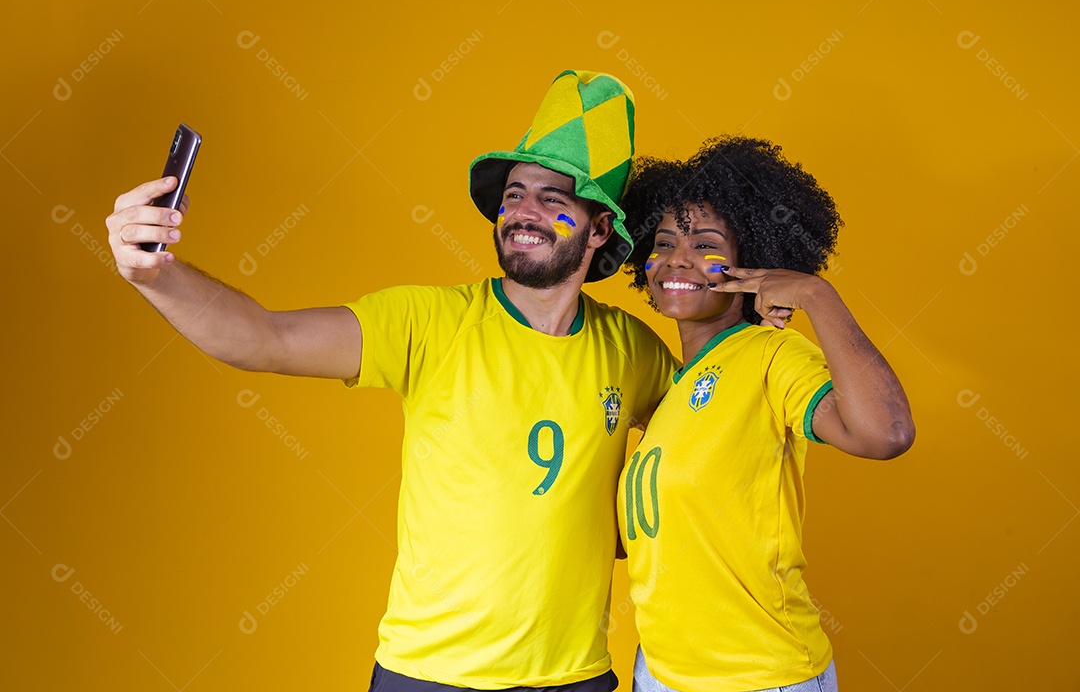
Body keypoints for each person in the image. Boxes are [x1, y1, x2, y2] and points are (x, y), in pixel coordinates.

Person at [106, 70, 677, 691]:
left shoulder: (632, 350)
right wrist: (154, 276)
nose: (523, 213)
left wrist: (762, 306)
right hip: (429, 676)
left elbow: (715, 428)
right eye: (514, 194)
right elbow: (266, 339)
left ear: (598, 230)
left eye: (553, 199)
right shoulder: (428, 320)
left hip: (576, 679)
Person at [616, 136, 915, 692]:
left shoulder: (772, 355)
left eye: (706, 244)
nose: (678, 259)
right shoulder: (670, 388)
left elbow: (886, 433)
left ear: (754, 258)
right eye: (663, 242)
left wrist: (815, 294)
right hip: (660, 673)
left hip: (756, 675)